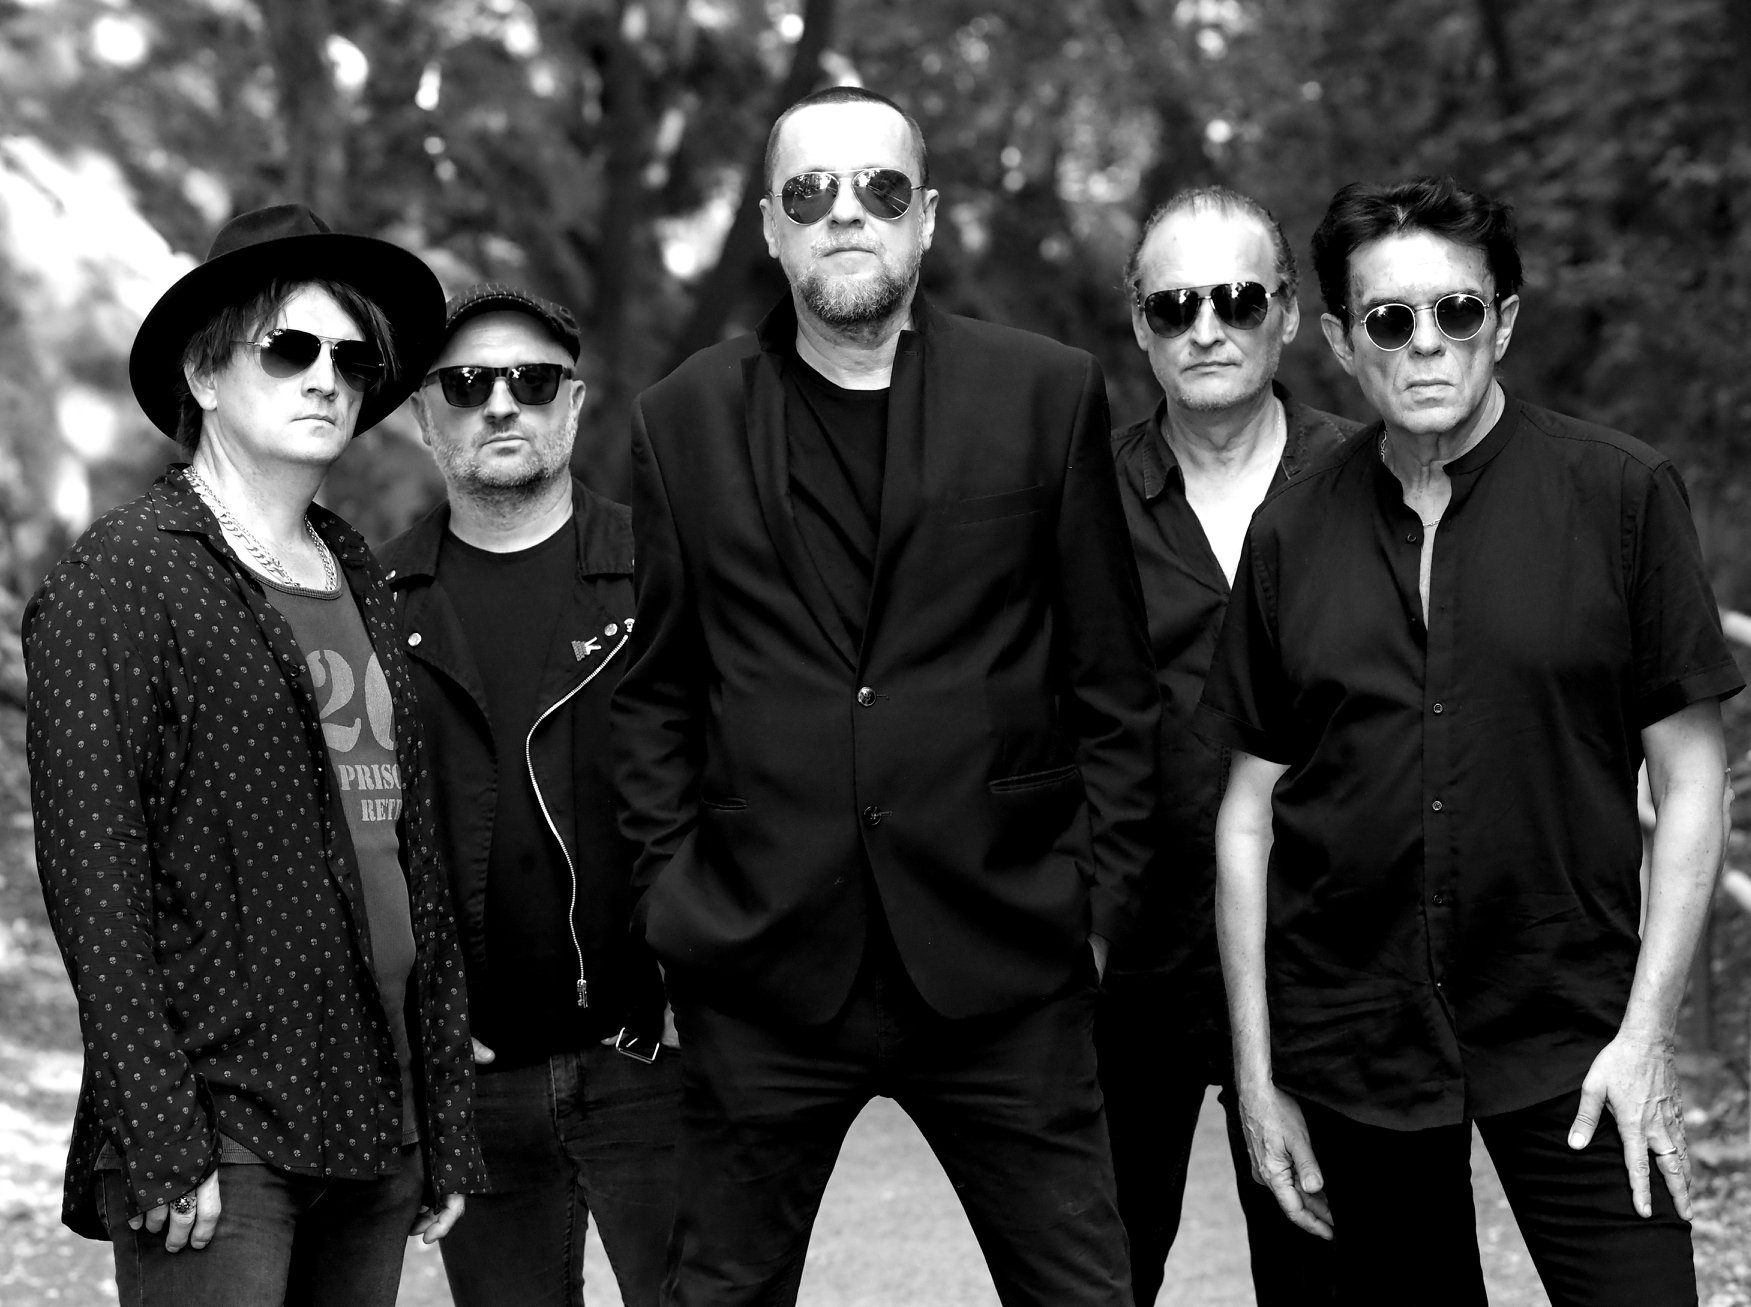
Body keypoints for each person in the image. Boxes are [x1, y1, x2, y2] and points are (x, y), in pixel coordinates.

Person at [612, 85, 1160, 1305]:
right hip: (762, 963)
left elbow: (1111, 676)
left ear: (925, 218)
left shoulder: (1042, 391)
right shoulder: (681, 417)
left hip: (1004, 952)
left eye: (880, 187)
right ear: (770, 227)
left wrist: (1095, 905)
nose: (845, 213)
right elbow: (654, 694)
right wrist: (671, 902)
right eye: (810, 192)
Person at [1198, 174, 1742, 1306]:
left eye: (1455, 311)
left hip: (1575, 1026)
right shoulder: (1289, 531)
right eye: (1389, 319)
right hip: (1354, 1035)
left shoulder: (1621, 495)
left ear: (1501, 321)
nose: (1425, 345)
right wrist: (1255, 1075)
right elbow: (1247, 813)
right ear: (1341, 342)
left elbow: (1692, 776)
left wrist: (1647, 1033)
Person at [22, 204, 484, 1306]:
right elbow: (93, 880)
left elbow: (407, 857)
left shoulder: (358, 571)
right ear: (206, 372)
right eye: (289, 347)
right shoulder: (121, 577)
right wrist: (159, 1130)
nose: (326, 377)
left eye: (352, 359)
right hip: (218, 1126)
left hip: (375, 1111)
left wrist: (442, 1119)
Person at [381, 282, 679, 1306]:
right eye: (467, 383)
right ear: (425, 416)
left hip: (652, 1060)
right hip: (478, 1081)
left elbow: (745, 785)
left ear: (575, 403)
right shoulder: (372, 604)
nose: (501, 402)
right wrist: (418, 1028)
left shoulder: (662, 577)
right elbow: (359, 840)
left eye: (533, 380)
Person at [1101, 186, 1348, 1305]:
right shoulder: (1077, 502)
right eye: (1173, 305)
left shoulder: (1372, 481)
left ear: (1287, 313)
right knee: (1092, 1282)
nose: (1205, 327)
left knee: (1326, 1281)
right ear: (1138, 322)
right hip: (1125, 972)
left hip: (1328, 969)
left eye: (1238, 299)